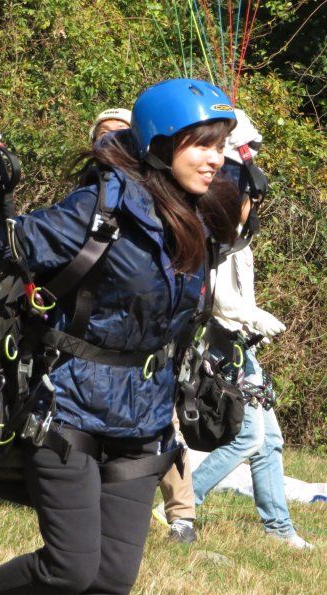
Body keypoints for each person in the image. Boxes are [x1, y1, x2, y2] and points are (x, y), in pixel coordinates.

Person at [0, 78, 237, 595]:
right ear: (160, 144)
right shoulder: (100, 208)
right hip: (68, 407)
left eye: (221, 146)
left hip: (144, 419)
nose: (215, 160)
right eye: (203, 144)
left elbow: (245, 194)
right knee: (69, 569)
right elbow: (4, 245)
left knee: (111, 580)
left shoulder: (202, 214)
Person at [189, 109, 313, 550]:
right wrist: (249, 317)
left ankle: (279, 529)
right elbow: (213, 292)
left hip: (240, 341)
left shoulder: (238, 238)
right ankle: (183, 503)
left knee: (271, 441)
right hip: (220, 340)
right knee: (250, 436)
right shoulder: (214, 231)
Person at [90, 108, 201, 545]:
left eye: (120, 137)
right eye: (104, 137)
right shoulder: (90, 200)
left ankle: (182, 514)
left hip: (152, 349)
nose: (111, 145)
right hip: (100, 346)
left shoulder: (168, 205)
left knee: (161, 428)